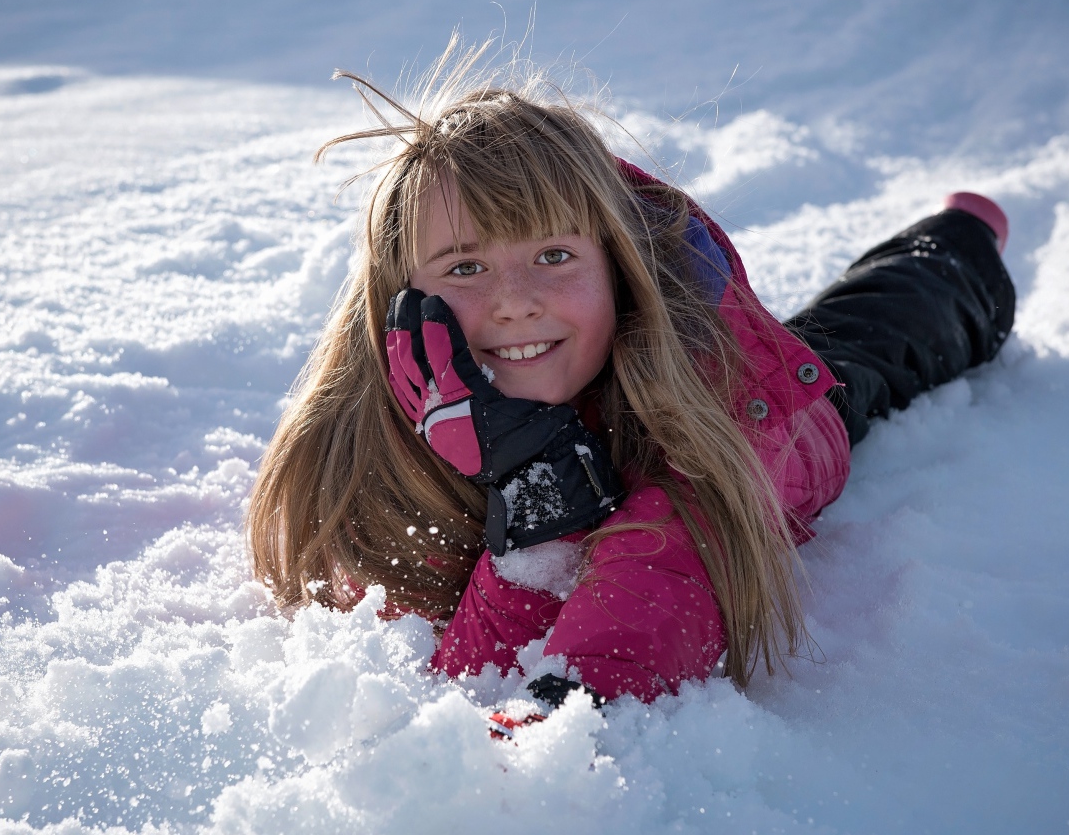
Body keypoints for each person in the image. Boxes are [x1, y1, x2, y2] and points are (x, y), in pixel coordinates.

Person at [246, 52, 1014, 715]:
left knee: (874, 343)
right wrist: (535, 498)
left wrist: (558, 703)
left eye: (553, 256)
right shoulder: (367, 421)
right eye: (467, 267)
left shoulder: (707, 422)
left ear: (618, 271)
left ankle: (963, 241)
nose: (517, 300)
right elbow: (433, 660)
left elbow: (650, 589)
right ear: (402, 305)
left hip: (766, 427)